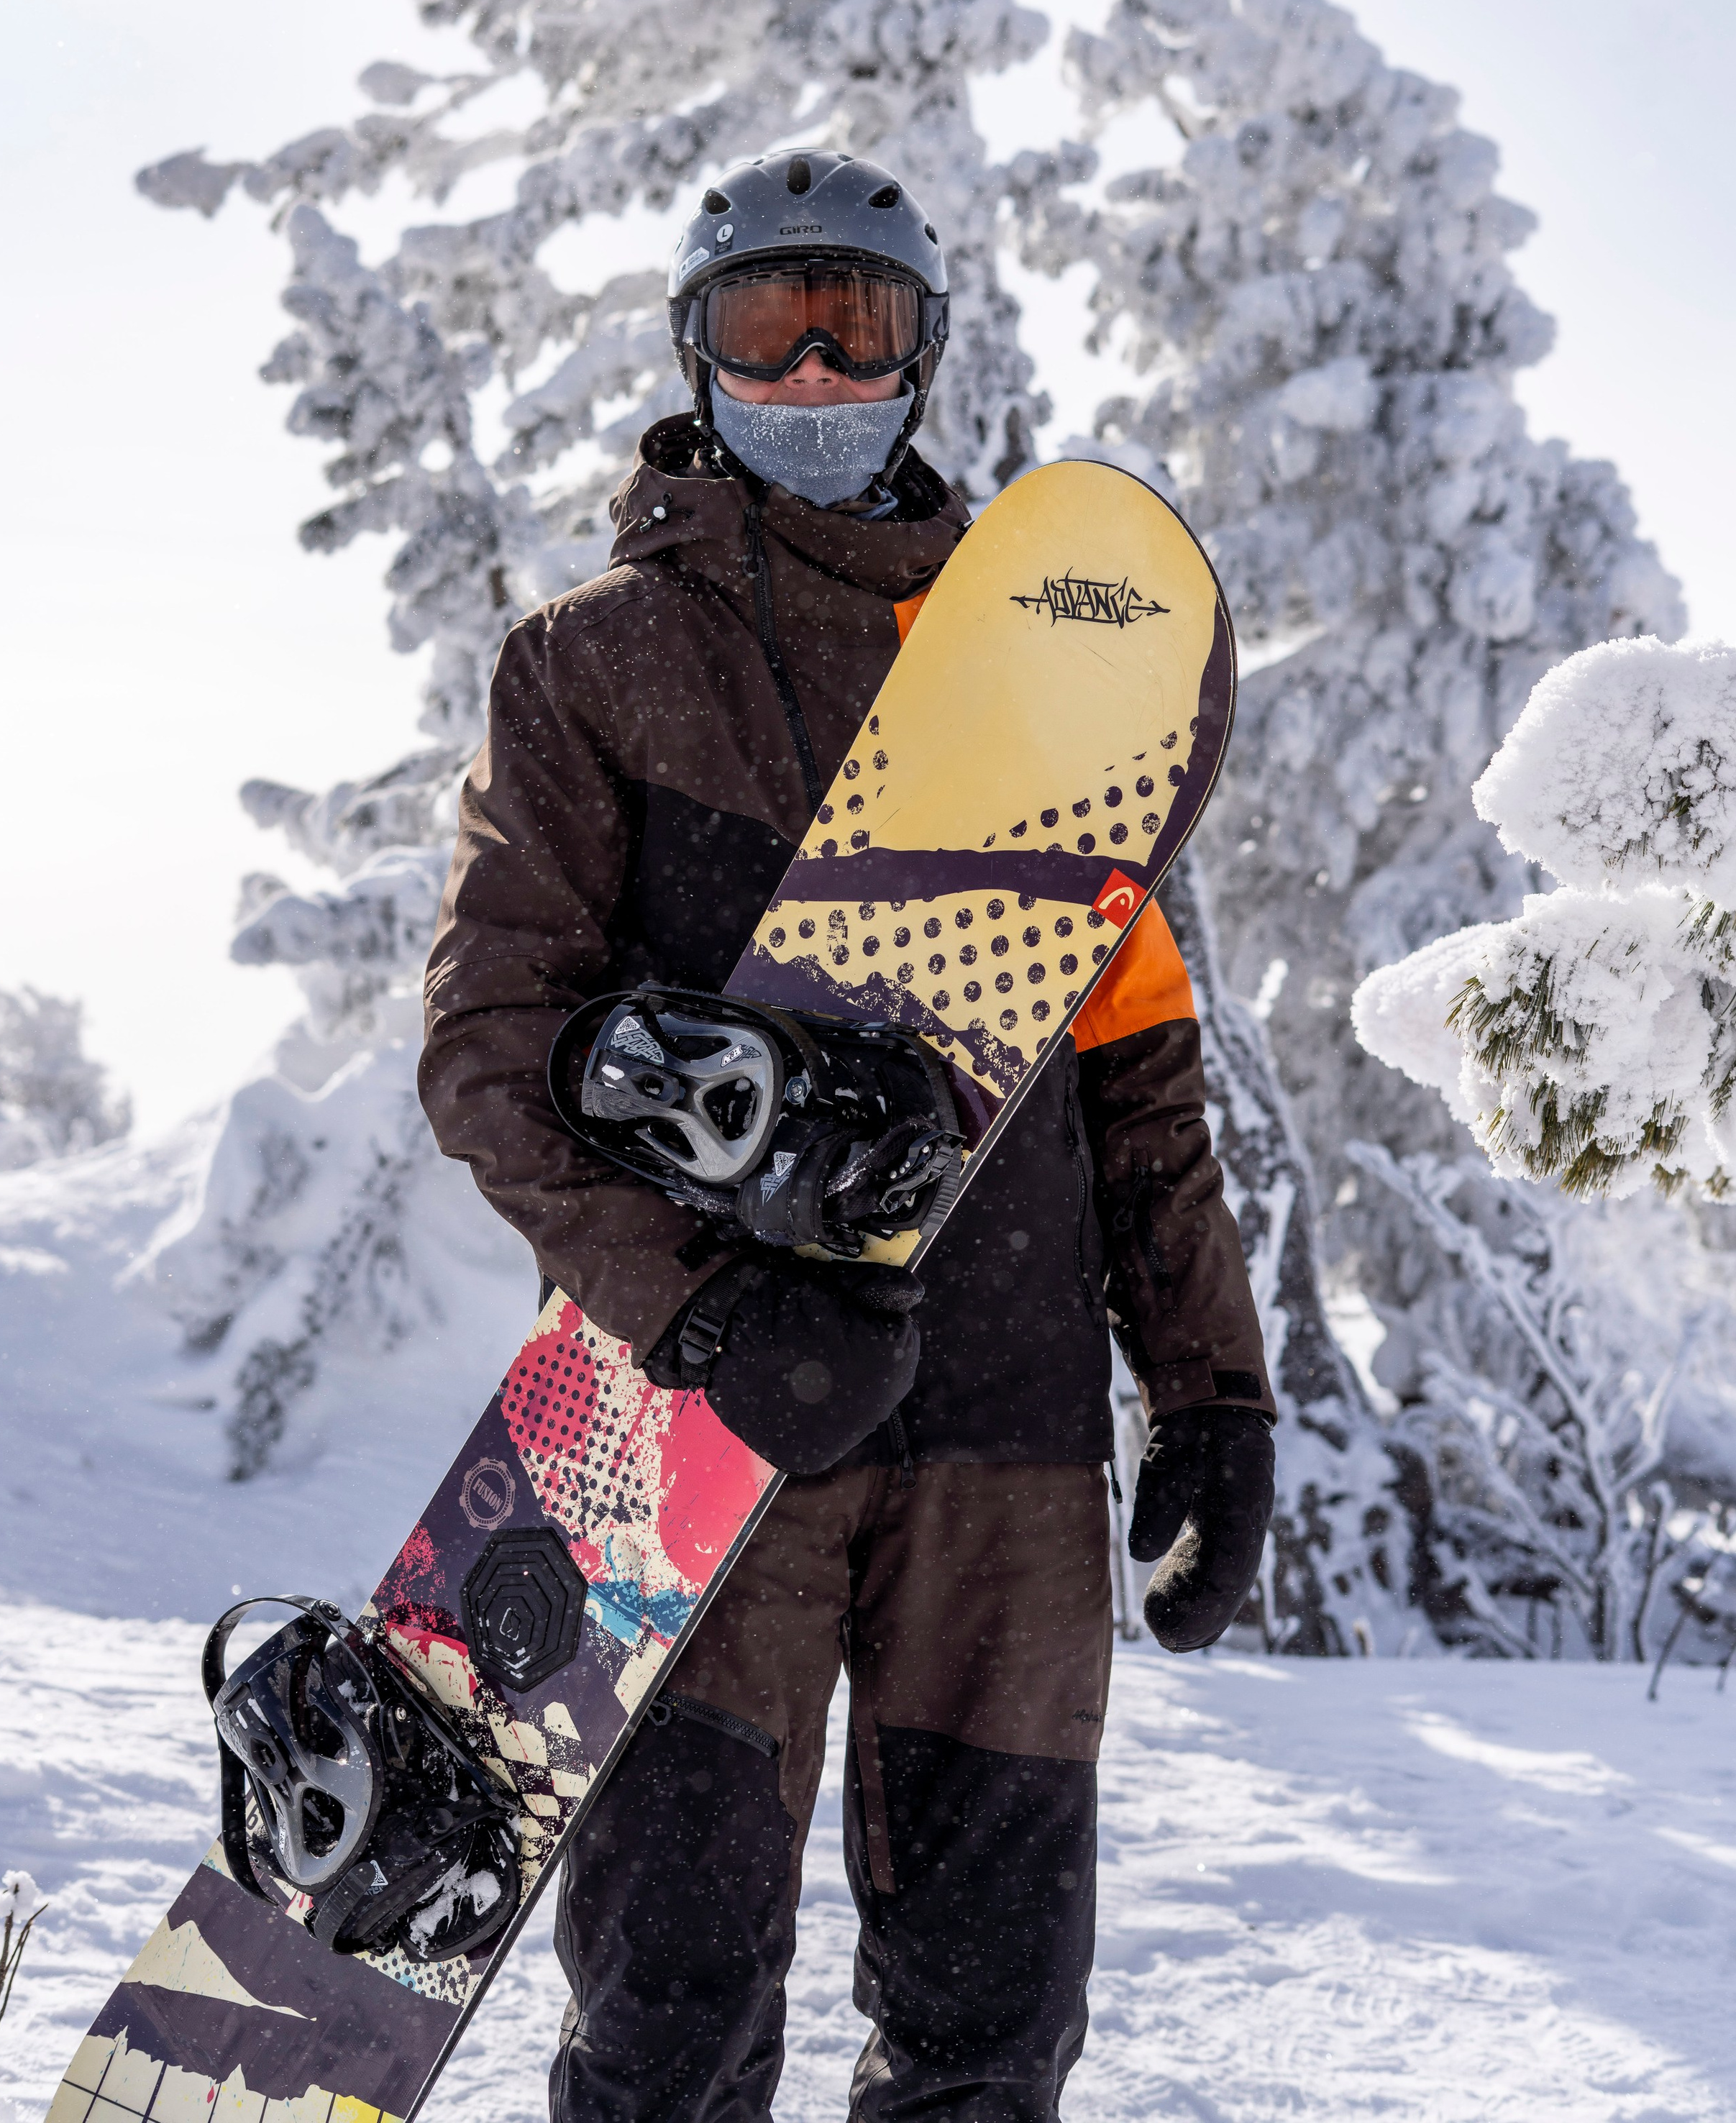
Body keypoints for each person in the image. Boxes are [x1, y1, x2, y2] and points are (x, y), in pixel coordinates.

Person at [418, 150, 1276, 2123]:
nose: (811, 377)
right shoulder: (593, 668)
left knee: (990, 2035)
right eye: (762, 330)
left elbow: (1137, 1083)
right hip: (709, 1438)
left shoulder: (1055, 678)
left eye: (858, 328)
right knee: (673, 2019)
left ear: (929, 355)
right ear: (690, 362)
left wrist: (1214, 1396)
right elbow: (490, 1050)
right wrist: (703, 1315)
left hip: (1009, 1446)